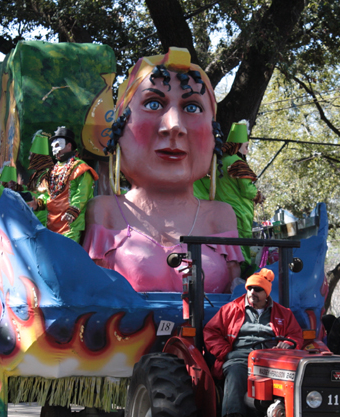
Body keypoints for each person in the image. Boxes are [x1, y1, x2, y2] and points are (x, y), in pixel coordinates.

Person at [83, 47, 243, 293]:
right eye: (153, 103)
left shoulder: (220, 217)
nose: (174, 126)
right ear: (119, 130)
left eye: (192, 108)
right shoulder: (106, 212)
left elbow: (241, 297)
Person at [204, 268, 303, 417]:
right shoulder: (231, 309)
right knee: (236, 371)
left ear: (266, 294)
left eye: (257, 289)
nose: (251, 292)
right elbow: (211, 332)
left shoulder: (283, 314)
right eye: (249, 288)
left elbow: (295, 335)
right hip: (239, 356)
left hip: (271, 359)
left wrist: (286, 344)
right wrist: (226, 353)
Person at [193, 120, 263, 268]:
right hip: (240, 210)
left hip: (221, 211)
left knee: (228, 245)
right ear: (238, 146)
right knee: (242, 241)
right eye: (246, 147)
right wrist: (258, 196)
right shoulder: (238, 163)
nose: (247, 151)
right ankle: (244, 271)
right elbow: (247, 189)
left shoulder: (218, 162)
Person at [28, 127, 98, 241]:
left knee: (66, 255)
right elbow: (48, 195)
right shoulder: (51, 171)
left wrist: (73, 210)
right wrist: (38, 203)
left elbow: (82, 194)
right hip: (51, 224)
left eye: (57, 146)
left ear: (69, 146)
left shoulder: (81, 168)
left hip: (71, 225)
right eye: (52, 147)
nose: (54, 150)